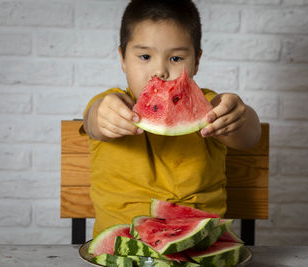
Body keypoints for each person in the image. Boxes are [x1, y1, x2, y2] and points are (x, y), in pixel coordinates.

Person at [81, 0, 261, 237]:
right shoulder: (112, 105)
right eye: (145, 56)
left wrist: (237, 116)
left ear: (196, 61)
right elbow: (94, 123)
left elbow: (249, 135)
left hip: (198, 244)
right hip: (121, 247)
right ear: (122, 58)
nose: (160, 71)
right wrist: (100, 116)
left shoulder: (210, 107)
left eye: (175, 58)